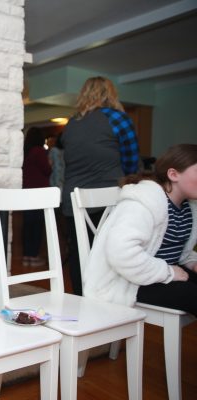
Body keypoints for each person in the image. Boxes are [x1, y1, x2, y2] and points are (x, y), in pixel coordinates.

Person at [83, 144, 197, 316]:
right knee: (191, 295)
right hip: (127, 281)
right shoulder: (144, 203)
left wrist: (192, 262)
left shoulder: (189, 208)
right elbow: (121, 253)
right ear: (173, 174)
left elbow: (176, 248)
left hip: (159, 272)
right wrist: (167, 272)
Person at [61, 76, 139, 295]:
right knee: (110, 253)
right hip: (108, 198)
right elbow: (131, 161)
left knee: (79, 253)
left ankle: (81, 299)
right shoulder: (117, 118)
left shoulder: (71, 123)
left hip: (73, 198)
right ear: (110, 93)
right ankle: (107, 302)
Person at [22, 127, 52, 267]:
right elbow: (47, 170)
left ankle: (26, 256)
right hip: (39, 192)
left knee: (27, 224)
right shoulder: (39, 151)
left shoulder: (25, 151)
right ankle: (33, 256)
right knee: (37, 224)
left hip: (26, 191)